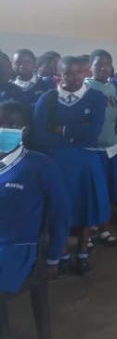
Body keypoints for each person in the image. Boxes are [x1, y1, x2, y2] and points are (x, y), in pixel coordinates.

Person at [32, 56, 108, 274]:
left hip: (86, 162)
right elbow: (39, 134)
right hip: (56, 163)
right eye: (67, 73)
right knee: (60, 209)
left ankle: (83, 253)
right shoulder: (48, 99)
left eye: (78, 72)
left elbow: (93, 134)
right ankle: (61, 252)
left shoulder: (95, 97)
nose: (73, 77)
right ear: (59, 74)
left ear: (85, 73)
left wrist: (61, 129)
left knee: (86, 208)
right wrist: (76, 132)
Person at [0, 101, 70, 292]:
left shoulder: (39, 165)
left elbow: (60, 214)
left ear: (25, 130)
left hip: (15, 248)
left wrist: (53, 256)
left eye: (12, 125)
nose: (3, 129)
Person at [85, 50, 117, 246]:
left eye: (107, 64)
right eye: (98, 64)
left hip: (113, 146)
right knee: (91, 191)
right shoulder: (86, 88)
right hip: (92, 149)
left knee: (108, 191)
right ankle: (87, 232)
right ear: (90, 67)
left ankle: (105, 229)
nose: (103, 68)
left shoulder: (116, 89)